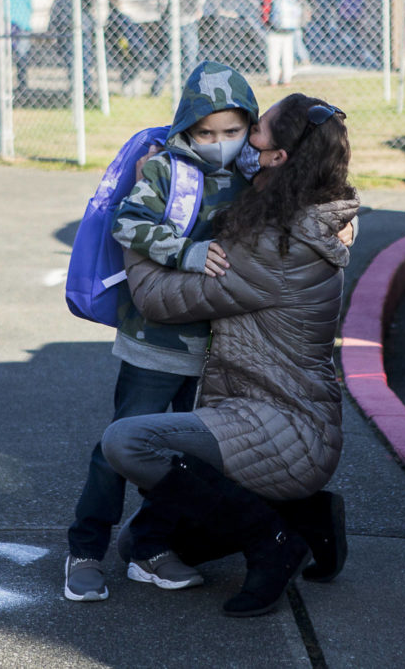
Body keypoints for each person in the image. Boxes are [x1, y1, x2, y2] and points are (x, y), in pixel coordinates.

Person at [100, 93, 357, 617]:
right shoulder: (302, 213)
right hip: (272, 419)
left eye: (254, 133)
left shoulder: (276, 248)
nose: (241, 143)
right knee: (138, 545)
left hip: (283, 425)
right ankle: (308, 516)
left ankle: (274, 542)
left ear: (280, 158)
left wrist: (144, 223)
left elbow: (156, 299)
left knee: (126, 443)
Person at [64, 61, 260, 602]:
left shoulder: (258, 173)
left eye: (232, 131)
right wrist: (186, 251)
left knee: (188, 458)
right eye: (206, 132)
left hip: (223, 350)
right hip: (155, 342)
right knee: (118, 448)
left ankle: (151, 548)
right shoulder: (167, 170)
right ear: (186, 129)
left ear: (250, 127)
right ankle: (84, 548)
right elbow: (128, 222)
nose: (219, 143)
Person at [151, 0, 205, 97]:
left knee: (169, 54)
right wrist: (198, 8)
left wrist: (162, 11)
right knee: (189, 55)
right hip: (187, 15)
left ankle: (157, 88)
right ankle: (186, 89)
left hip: (174, 16)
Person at [49, 0, 97, 103]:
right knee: (73, 63)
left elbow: (90, 3)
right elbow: (56, 8)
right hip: (68, 31)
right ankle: (78, 92)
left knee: (84, 62)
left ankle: (85, 92)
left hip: (80, 30)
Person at [262, 0, 302, 86]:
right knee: (288, 55)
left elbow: (265, 11)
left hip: (274, 30)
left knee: (273, 55)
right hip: (288, 30)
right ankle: (287, 79)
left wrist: (267, 24)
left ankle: (273, 79)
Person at [4, 0, 33, 90]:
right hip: (21, 20)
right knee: (21, 53)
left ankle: (2, 83)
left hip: (6, 20)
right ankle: (22, 83)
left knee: (4, 53)